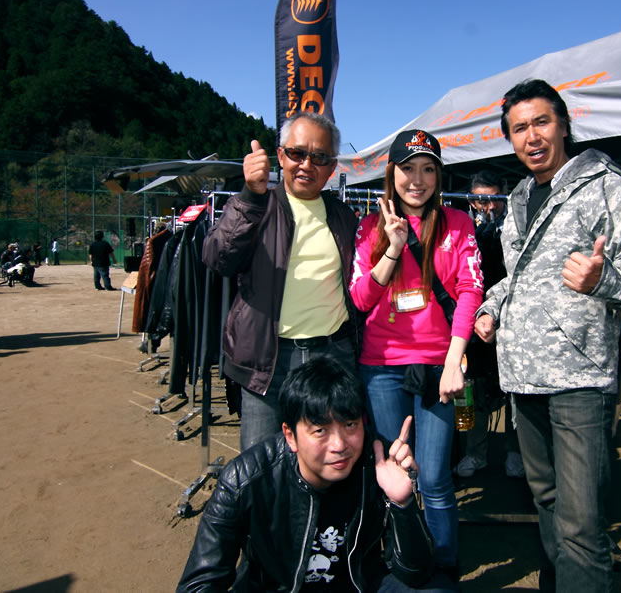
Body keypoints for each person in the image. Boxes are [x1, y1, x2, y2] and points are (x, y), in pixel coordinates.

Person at [473, 79, 621, 592]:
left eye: (541, 122)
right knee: (546, 499)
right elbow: (518, 275)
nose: (531, 136)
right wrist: (491, 307)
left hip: (579, 377)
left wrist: (604, 278)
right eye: (519, 128)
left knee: (582, 523)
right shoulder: (518, 197)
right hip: (523, 375)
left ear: (563, 125)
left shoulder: (605, 186)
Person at [176, 357, 444, 592]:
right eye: (320, 430)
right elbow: (198, 585)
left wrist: (402, 504)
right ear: (290, 435)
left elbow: (416, 574)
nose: (339, 445)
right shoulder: (244, 479)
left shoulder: (376, 464)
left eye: (350, 424)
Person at [350, 129, 483, 581]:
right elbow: (361, 298)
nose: (418, 179)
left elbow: (470, 291)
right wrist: (392, 245)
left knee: (435, 477)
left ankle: (444, 567)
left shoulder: (458, 224)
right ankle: (400, 562)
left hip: (438, 367)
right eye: (408, 169)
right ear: (392, 173)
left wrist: (454, 361)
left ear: (439, 176)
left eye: (428, 169)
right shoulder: (368, 227)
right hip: (381, 367)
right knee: (393, 474)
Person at [202, 112, 360, 453]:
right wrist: (250, 195)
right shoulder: (257, 205)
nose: (307, 165)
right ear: (280, 156)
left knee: (330, 456)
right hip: (268, 360)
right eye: (297, 153)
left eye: (320, 157)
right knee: (263, 461)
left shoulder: (344, 217)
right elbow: (218, 258)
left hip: (332, 355)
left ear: (332, 167)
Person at [453, 170, 525, 480]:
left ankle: (515, 452)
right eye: (481, 200)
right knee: (469, 393)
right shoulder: (461, 229)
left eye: (494, 199)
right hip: (470, 326)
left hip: (509, 324)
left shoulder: (516, 228)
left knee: (513, 394)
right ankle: (474, 453)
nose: (488, 206)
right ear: (471, 201)